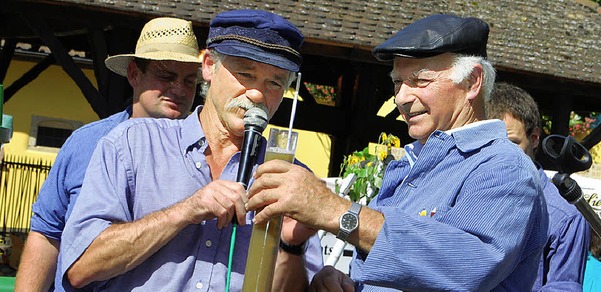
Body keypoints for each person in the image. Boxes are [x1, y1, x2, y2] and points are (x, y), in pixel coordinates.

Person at [246, 14, 548, 291]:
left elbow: (465, 266)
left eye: (420, 81)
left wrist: (336, 211)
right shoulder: (413, 163)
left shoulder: (504, 167)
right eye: (398, 82)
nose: (401, 97)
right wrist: (349, 283)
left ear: (472, 82)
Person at [57, 9, 323, 291]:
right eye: (245, 74)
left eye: (275, 83)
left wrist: (291, 247)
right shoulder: (131, 144)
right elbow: (81, 267)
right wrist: (187, 209)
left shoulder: (291, 179)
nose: (257, 94)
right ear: (208, 66)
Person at [14, 17, 201, 291]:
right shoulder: (86, 143)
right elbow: (47, 235)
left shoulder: (204, 155)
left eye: (189, 81)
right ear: (134, 74)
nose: (180, 89)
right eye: (166, 76)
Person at [486, 82, 591, 291]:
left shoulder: (565, 215)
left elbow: (562, 288)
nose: (500, 154)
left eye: (512, 143)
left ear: (534, 138)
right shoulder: (465, 195)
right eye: (490, 143)